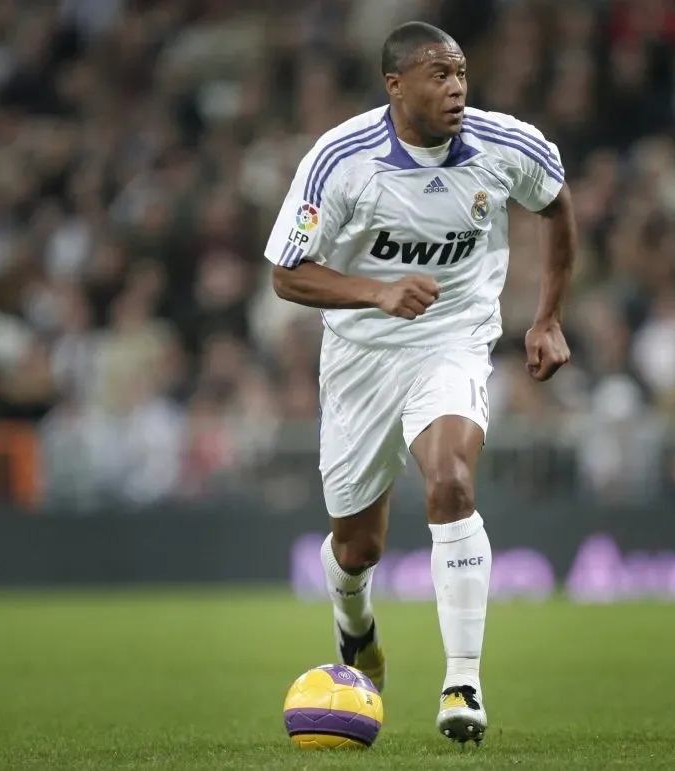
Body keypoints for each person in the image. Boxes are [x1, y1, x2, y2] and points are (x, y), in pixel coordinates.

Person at [264, 21, 577, 744]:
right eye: (438, 74)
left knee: (452, 481)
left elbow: (557, 204)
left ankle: (461, 681)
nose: (457, 86)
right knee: (356, 548)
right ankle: (355, 622)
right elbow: (287, 273)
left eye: (462, 71)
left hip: (454, 338)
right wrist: (374, 293)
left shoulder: (507, 146)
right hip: (361, 356)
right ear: (395, 85)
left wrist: (547, 317)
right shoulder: (340, 160)